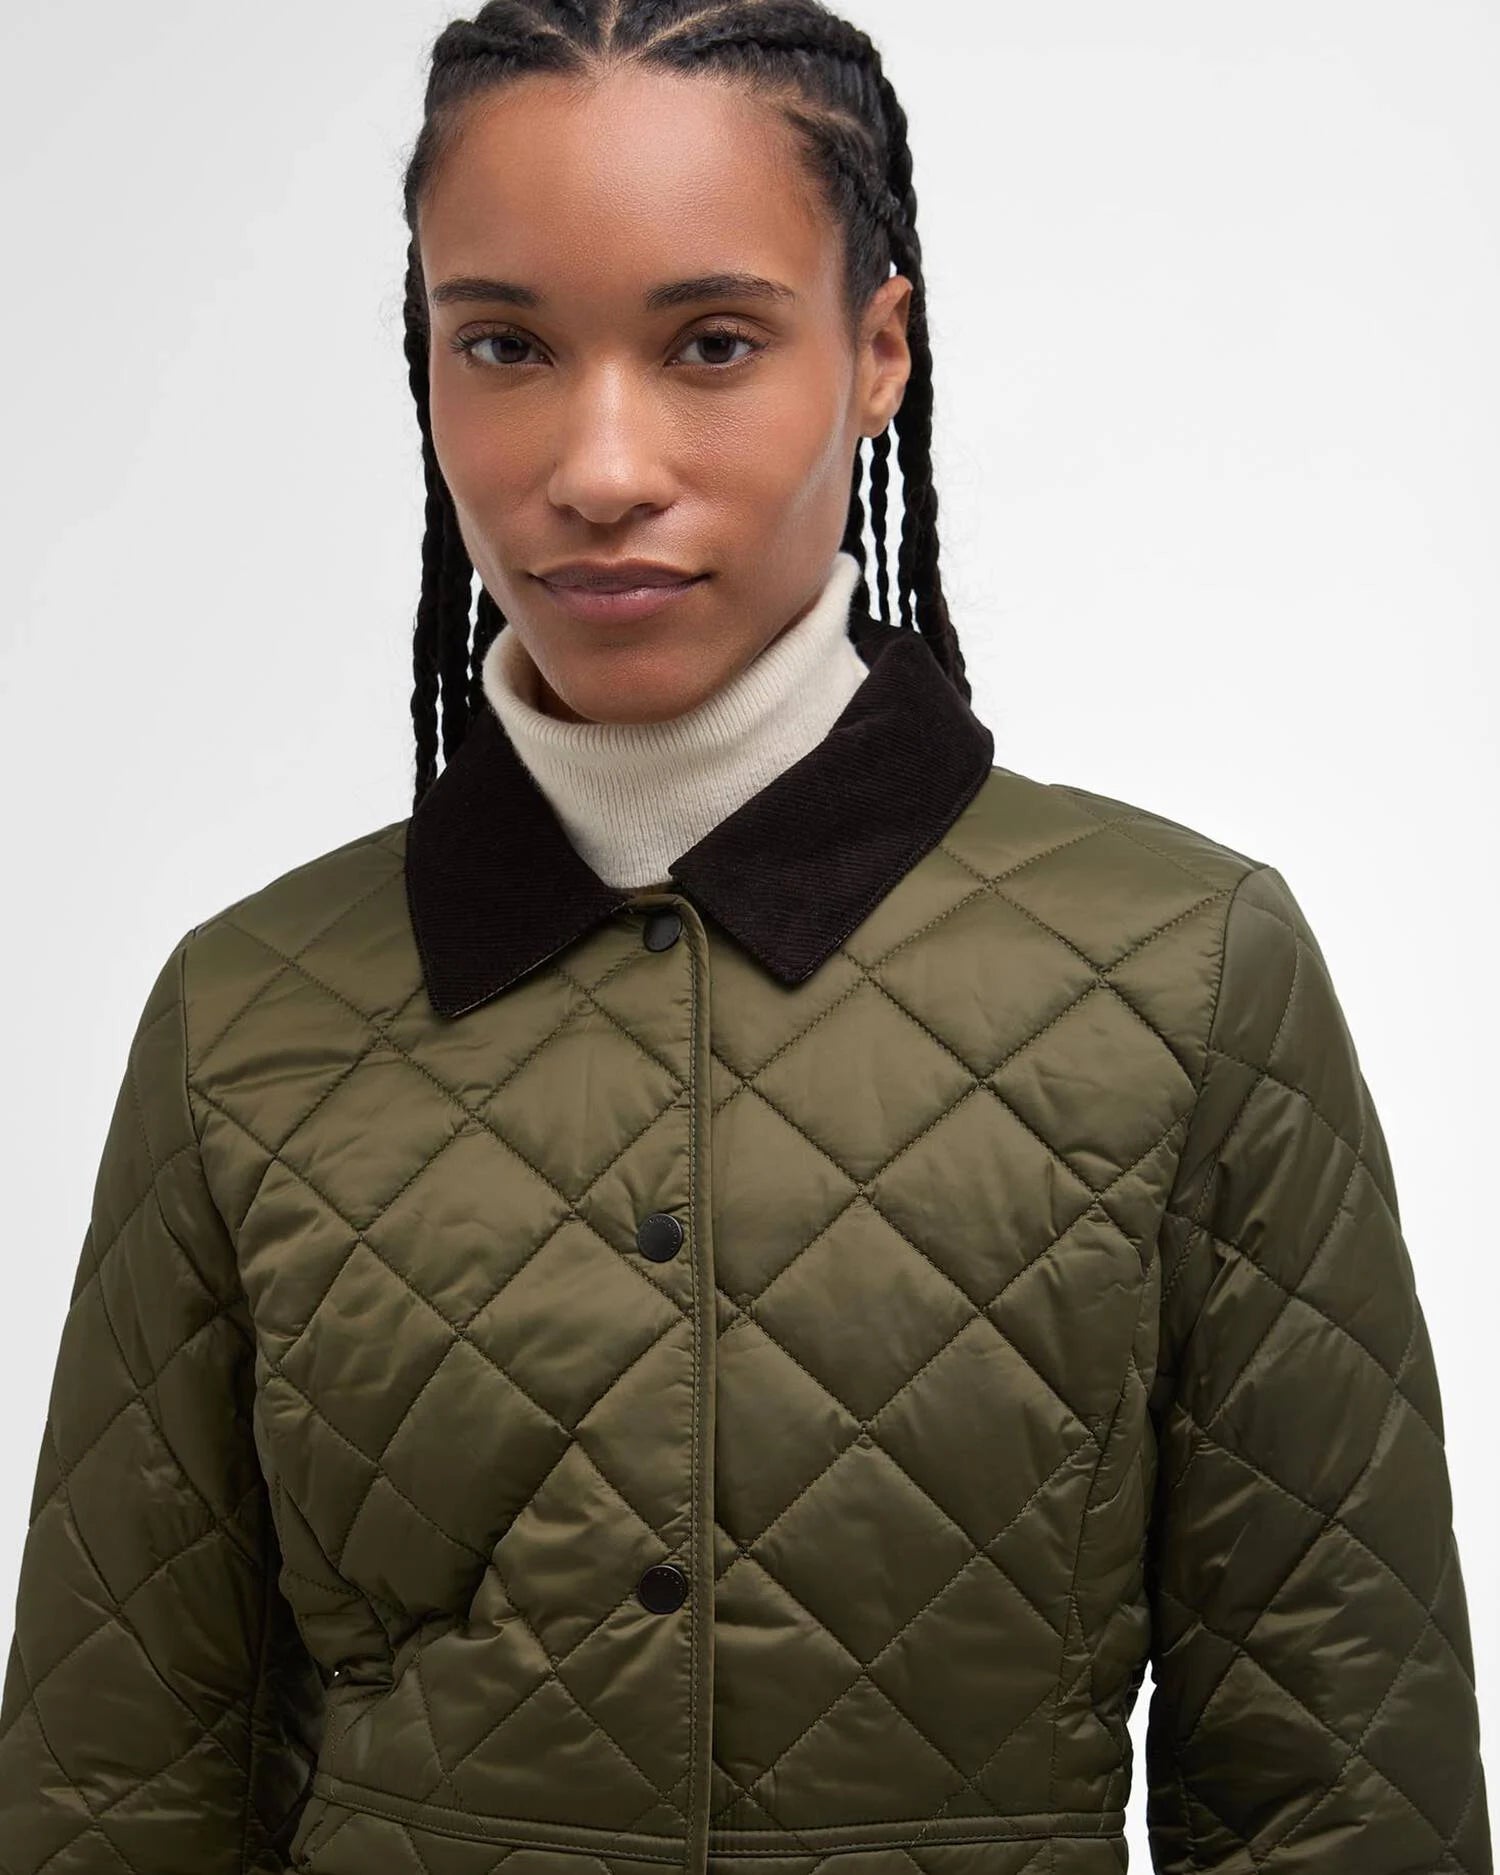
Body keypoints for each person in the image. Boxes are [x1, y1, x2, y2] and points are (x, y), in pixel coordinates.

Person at [0, 2, 1490, 1870]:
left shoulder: (1189, 977)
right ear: (423, 359)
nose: (599, 464)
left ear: (878, 351)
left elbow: (1337, 1803)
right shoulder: (248, 1018)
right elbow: (112, 1793)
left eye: (711, 342)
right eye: (504, 344)